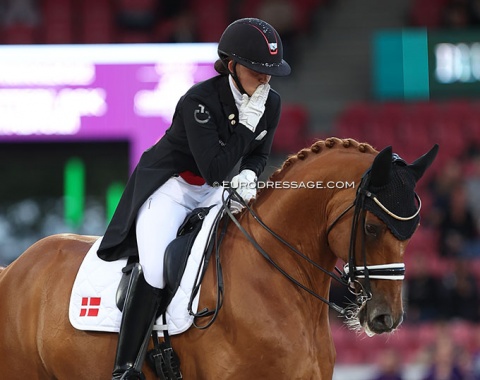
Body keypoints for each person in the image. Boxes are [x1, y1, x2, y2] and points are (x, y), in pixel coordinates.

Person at [97, 17, 291, 379]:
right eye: (257, 71)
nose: (265, 80)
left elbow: (258, 154)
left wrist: (250, 173)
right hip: (170, 188)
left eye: (270, 73)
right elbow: (216, 167)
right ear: (232, 66)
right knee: (155, 268)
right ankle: (125, 368)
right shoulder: (198, 101)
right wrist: (246, 128)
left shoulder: (271, 102)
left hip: (213, 191)